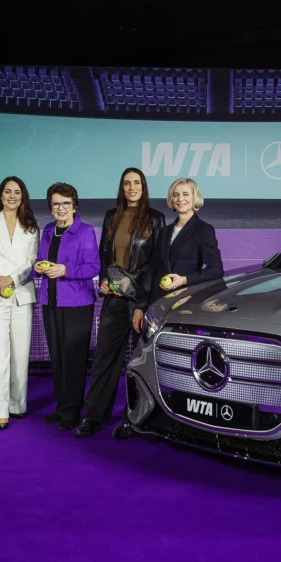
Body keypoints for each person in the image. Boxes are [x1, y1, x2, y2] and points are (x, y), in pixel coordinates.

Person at [119, 177, 224, 438]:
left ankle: (180, 422)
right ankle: (135, 419)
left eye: (185, 194)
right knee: (143, 363)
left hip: (184, 308)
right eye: (176, 195)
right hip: (154, 308)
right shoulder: (164, 232)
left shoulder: (204, 229)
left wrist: (184, 280)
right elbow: (152, 272)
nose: (180, 199)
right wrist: (140, 307)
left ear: (195, 197)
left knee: (175, 365)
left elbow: (216, 271)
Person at [75, 168, 165, 438]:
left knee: (140, 364)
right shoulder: (112, 217)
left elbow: (155, 266)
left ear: (144, 186)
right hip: (114, 300)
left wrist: (140, 302)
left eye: (136, 183)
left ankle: (135, 420)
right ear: (122, 188)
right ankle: (94, 417)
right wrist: (104, 280)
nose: (132, 187)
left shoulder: (156, 219)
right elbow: (105, 256)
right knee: (104, 359)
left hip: (142, 303)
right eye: (127, 183)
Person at [33, 182, 100, 431]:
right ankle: (61, 407)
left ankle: (73, 410)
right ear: (50, 208)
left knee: (73, 358)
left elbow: (93, 267)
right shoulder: (48, 230)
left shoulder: (85, 231)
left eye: (66, 203)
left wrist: (66, 270)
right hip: (50, 300)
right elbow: (40, 261)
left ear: (75, 206)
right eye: (56, 203)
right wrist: (39, 267)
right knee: (58, 357)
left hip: (77, 304)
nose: (61, 208)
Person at [0, 176, 40, 430]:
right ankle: (0, 409)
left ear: (22, 197)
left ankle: (17, 405)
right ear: (1, 196)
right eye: (8, 191)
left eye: (17, 192)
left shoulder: (31, 227)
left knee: (20, 353)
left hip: (22, 294)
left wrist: (12, 279)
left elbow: (32, 261)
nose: (12, 196)